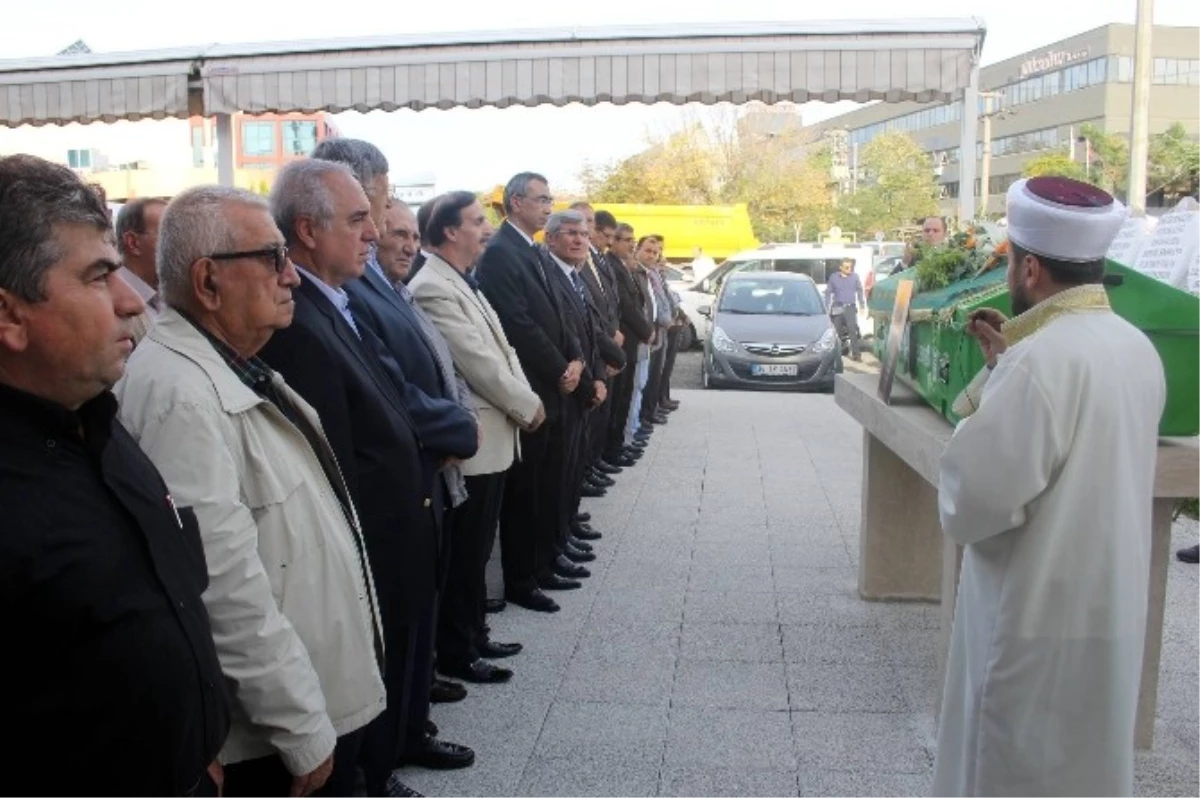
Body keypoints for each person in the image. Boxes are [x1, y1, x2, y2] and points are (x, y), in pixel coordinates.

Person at [115, 186, 388, 798]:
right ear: (209, 281)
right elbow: (222, 586)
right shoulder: (179, 395)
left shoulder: (229, 364)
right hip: (273, 738)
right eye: (272, 257)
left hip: (310, 706)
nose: (291, 275)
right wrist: (300, 728)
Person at [0, 154, 229, 797]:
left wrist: (198, 743)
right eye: (100, 276)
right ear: (9, 316)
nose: (133, 299)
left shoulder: (98, 421)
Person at [933, 176, 1166, 798]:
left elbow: (970, 503)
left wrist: (1000, 382)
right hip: (1107, 613)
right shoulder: (1136, 348)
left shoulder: (1039, 360)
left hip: (1032, 620)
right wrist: (1000, 368)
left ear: (1029, 268)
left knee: (1016, 770)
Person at [256, 159, 436, 798]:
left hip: (392, 533)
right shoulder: (298, 322)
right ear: (307, 229)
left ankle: (376, 772)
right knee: (360, 709)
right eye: (359, 219)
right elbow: (332, 462)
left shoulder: (333, 302)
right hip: (367, 548)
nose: (376, 232)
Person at [314, 140, 478, 773]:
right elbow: (386, 391)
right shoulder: (348, 292)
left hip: (424, 472)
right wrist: (450, 428)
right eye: (373, 212)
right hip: (395, 486)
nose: (384, 229)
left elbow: (419, 372)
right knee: (392, 630)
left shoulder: (372, 283)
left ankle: (407, 731)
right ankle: (383, 757)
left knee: (416, 618)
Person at [408, 191, 545, 682]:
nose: (486, 228)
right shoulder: (432, 286)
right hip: (478, 437)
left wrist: (524, 395)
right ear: (449, 231)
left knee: (479, 547)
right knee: (466, 556)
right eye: (476, 220)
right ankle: (458, 650)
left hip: (496, 433)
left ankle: (475, 632)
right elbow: (477, 362)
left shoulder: (462, 280)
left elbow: (503, 350)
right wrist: (527, 404)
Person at [475, 172, 585, 614]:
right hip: (535, 386)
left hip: (557, 382)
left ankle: (543, 563)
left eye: (550, 198)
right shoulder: (503, 252)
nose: (547, 205)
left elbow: (562, 310)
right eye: (541, 199)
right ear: (515, 202)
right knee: (527, 493)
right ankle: (523, 577)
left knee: (547, 484)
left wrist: (575, 360)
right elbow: (518, 323)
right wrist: (561, 367)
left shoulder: (531, 249)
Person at [115, 197, 167, 344]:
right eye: (168, 235)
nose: (179, 244)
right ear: (133, 243)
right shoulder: (110, 305)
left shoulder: (172, 300)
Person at [823, 258, 864, 361]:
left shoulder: (855, 277)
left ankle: (856, 354)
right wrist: (826, 308)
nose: (849, 269)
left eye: (851, 267)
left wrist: (862, 305)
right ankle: (835, 355)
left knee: (852, 331)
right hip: (837, 307)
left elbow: (860, 290)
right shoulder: (834, 277)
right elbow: (828, 293)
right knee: (836, 333)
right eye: (847, 267)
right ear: (841, 268)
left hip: (850, 307)